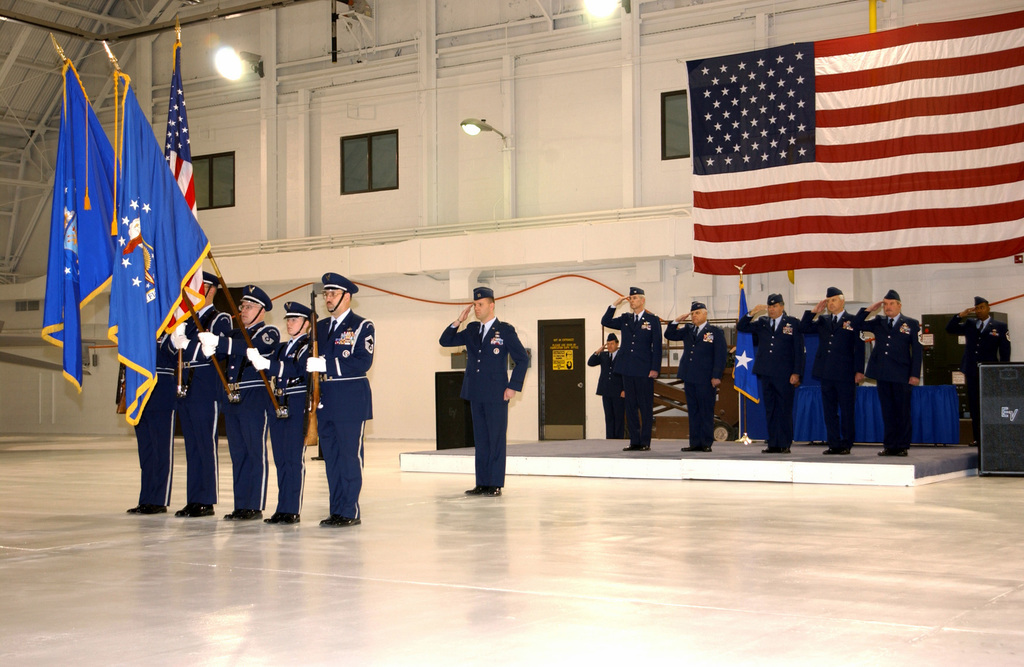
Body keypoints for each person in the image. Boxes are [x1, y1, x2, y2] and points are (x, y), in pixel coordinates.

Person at [200, 285, 280, 520]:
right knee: (238, 454)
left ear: (261, 310)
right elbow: (220, 354)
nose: (243, 310)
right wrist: (207, 345)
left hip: (254, 397)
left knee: (255, 452)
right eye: (242, 306)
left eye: (249, 307)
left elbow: (251, 349)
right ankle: (241, 504)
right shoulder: (235, 335)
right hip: (233, 397)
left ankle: (254, 505)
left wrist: (219, 342)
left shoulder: (269, 332)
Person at [439, 286, 528, 496]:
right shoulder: (471, 330)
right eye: (475, 305)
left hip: (497, 393)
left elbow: (522, 359)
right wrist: (458, 321)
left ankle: (495, 483)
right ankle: (482, 483)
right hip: (475, 392)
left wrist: (513, 386)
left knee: (496, 438)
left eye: (480, 305)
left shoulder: (505, 330)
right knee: (481, 440)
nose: (476, 308)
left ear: (491, 305)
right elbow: (445, 341)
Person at [305, 273, 375, 526]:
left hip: (350, 401)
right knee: (332, 460)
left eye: (333, 294)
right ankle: (336, 509)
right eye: (326, 294)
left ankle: (349, 510)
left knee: (349, 458)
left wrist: (327, 364)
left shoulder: (362, 325)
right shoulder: (320, 327)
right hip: (325, 401)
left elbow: (363, 361)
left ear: (348, 297)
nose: (328, 299)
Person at [170, 272, 232, 518]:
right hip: (186, 387)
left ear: (212, 290)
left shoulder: (219, 318)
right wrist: (178, 339)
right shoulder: (185, 318)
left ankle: (206, 499)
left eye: (200, 287)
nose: (195, 292)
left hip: (206, 388)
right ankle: (194, 498)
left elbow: (218, 350)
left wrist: (189, 344)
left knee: (205, 445)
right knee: (192, 446)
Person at [247, 301, 312, 524]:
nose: (290, 324)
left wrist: (267, 364)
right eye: (288, 320)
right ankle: (282, 508)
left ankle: (292, 509)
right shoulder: (284, 347)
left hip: (296, 403)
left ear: (306, 324)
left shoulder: (309, 346)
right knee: (281, 459)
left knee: (293, 459)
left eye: (294, 320)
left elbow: (296, 369)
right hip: (279, 404)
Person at [854, 289, 922, 456]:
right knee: (888, 411)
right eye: (885, 304)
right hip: (883, 374)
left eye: (891, 304)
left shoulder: (910, 323)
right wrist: (869, 309)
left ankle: (902, 445)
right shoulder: (879, 321)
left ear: (899, 305)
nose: (888, 307)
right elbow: (857, 324)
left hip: (902, 374)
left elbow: (917, 351)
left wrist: (914, 374)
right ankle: (890, 445)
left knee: (902, 411)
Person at [799, 287, 865, 455]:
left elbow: (859, 348)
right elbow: (803, 327)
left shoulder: (852, 321)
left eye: (833, 300)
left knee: (847, 410)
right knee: (829, 411)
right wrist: (813, 312)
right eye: (828, 301)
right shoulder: (823, 321)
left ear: (842, 301)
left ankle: (846, 443)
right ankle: (834, 443)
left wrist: (859, 371)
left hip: (846, 373)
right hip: (826, 373)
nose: (830, 303)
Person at [737, 293, 804, 454]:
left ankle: (785, 443)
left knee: (784, 409)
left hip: (785, 374)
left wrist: (797, 372)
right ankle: (773, 443)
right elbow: (742, 327)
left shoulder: (792, 323)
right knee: (771, 409)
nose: (771, 309)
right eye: (769, 307)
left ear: (782, 306)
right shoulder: (762, 322)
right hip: (766, 372)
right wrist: (752, 313)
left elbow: (799, 351)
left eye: (774, 306)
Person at [601, 287, 663, 451]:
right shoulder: (625, 319)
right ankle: (634, 441)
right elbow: (605, 321)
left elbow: (657, 345)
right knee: (630, 406)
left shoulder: (652, 320)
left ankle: (645, 442)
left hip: (644, 369)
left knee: (645, 406)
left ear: (642, 300)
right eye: (631, 298)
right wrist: (615, 304)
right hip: (627, 368)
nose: (632, 300)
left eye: (635, 298)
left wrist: (655, 368)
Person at [946, 296, 1011, 445]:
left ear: (988, 308)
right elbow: (950, 329)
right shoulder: (970, 324)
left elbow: (1005, 350)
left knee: (990, 404)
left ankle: (991, 437)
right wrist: (959, 316)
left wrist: (1002, 371)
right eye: (977, 308)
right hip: (972, 371)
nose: (979, 311)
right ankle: (978, 438)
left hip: (989, 372)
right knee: (974, 405)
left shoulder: (999, 326)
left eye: (982, 307)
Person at [664, 301, 726, 452]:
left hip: (706, 378)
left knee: (706, 410)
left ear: (705, 314)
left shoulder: (714, 332)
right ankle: (695, 443)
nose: (694, 316)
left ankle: (706, 443)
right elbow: (669, 334)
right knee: (693, 411)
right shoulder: (688, 329)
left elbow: (720, 355)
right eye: (692, 313)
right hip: (690, 376)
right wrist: (676, 321)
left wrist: (716, 375)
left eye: (697, 313)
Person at [126, 334, 177, 514]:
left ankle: (159, 499)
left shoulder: (169, 330)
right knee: (146, 451)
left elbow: (173, 357)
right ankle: (146, 498)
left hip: (161, 392)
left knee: (161, 450)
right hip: (140, 391)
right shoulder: (139, 329)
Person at [587, 333, 625, 439]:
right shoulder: (603, 355)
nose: (609, 346)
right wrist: (598, 351)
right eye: (608, 344)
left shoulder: (622, 355)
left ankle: (618, 438)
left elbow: (626, 374)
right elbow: (590, 362)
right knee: (609, 416)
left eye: (612, 344)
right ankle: (610, 438)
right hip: (606, 390)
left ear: (617, 343)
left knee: (619, 416)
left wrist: (624, 389)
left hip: (618, 391)